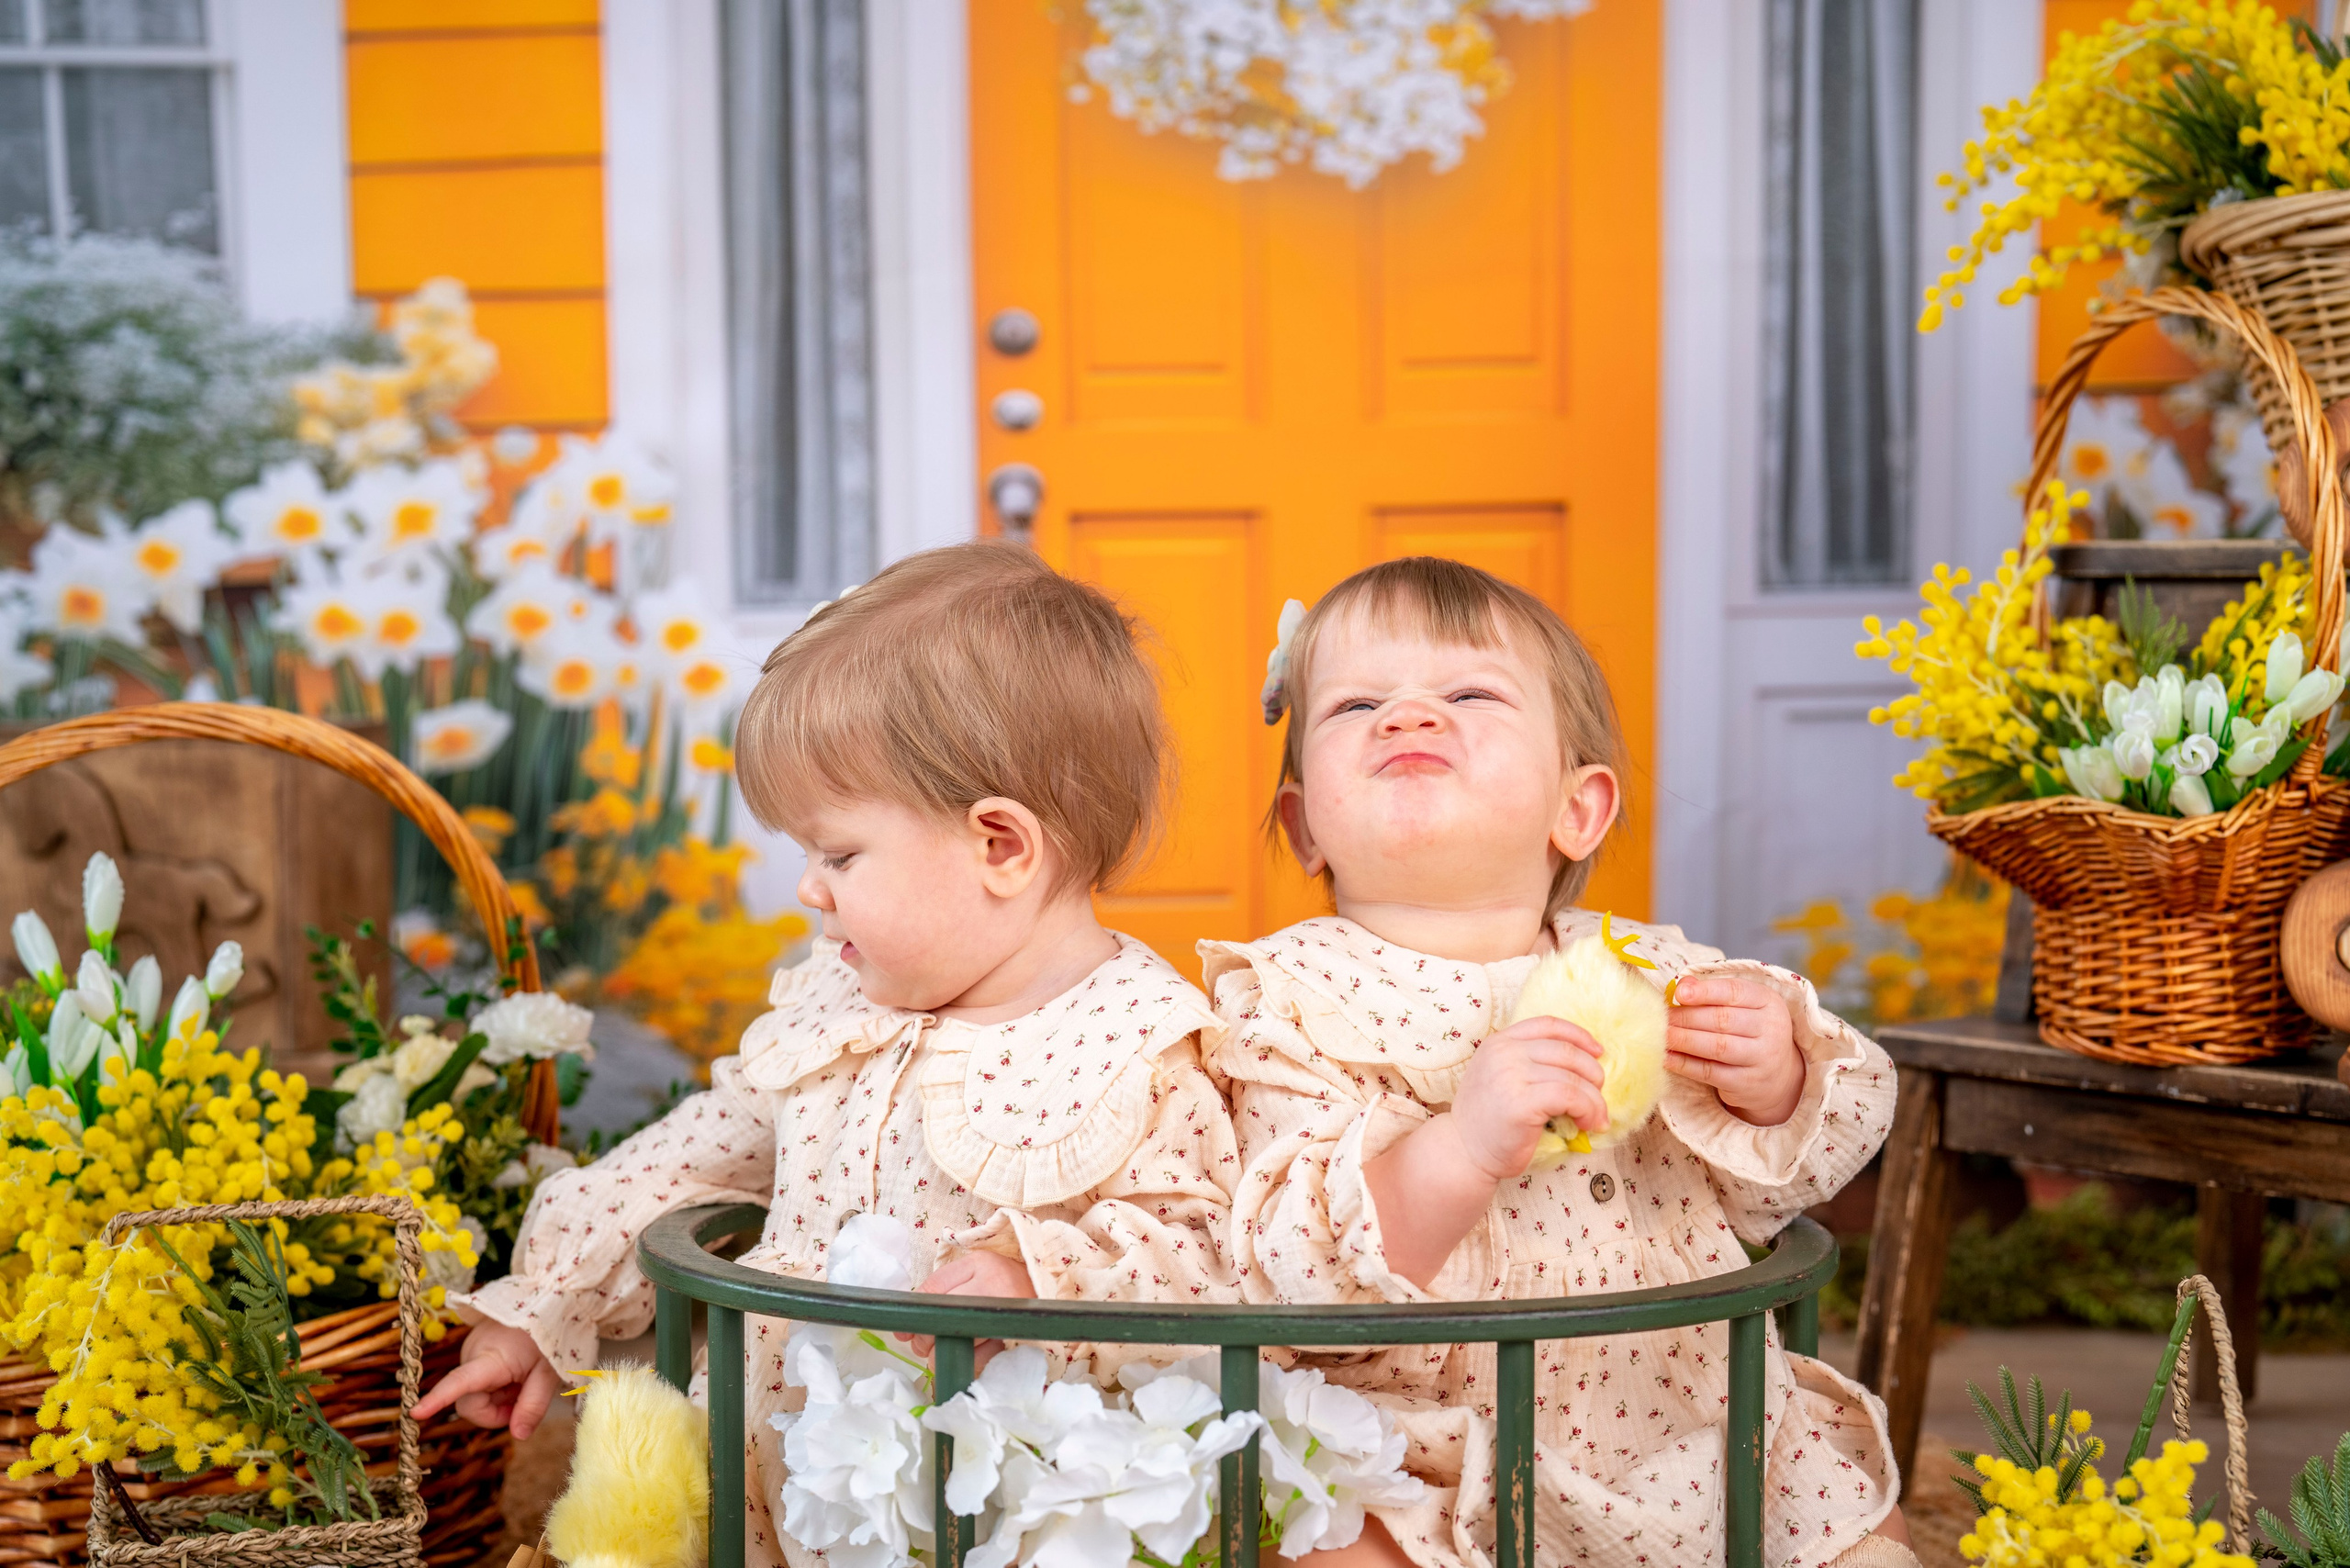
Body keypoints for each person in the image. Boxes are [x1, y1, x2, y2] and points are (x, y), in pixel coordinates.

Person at [414, 543, 1241, 1568]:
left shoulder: (1135, 1038)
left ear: (999, 846)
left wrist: (1030, 1267)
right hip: (762, 1495)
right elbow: (687, 1157)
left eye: (838, 854)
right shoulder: (835, 1012)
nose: (809, 888)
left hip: (984, 1512)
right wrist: (544, 1307)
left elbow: (1199, 1252)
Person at [1206, 557, 1910, 1568]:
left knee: (1851, 1523)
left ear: (1577, 809)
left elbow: (1790, 1182)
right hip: (1428, 1448)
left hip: (1690, 1423)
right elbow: (1291, 1272)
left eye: (1466, 695)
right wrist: (1457, 1145)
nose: (1406, 717)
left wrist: (1774, 1082)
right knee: (1319, 1534)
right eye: (1357, 702)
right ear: (1304, 821)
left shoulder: (1649, 974)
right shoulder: (1279, 1007)